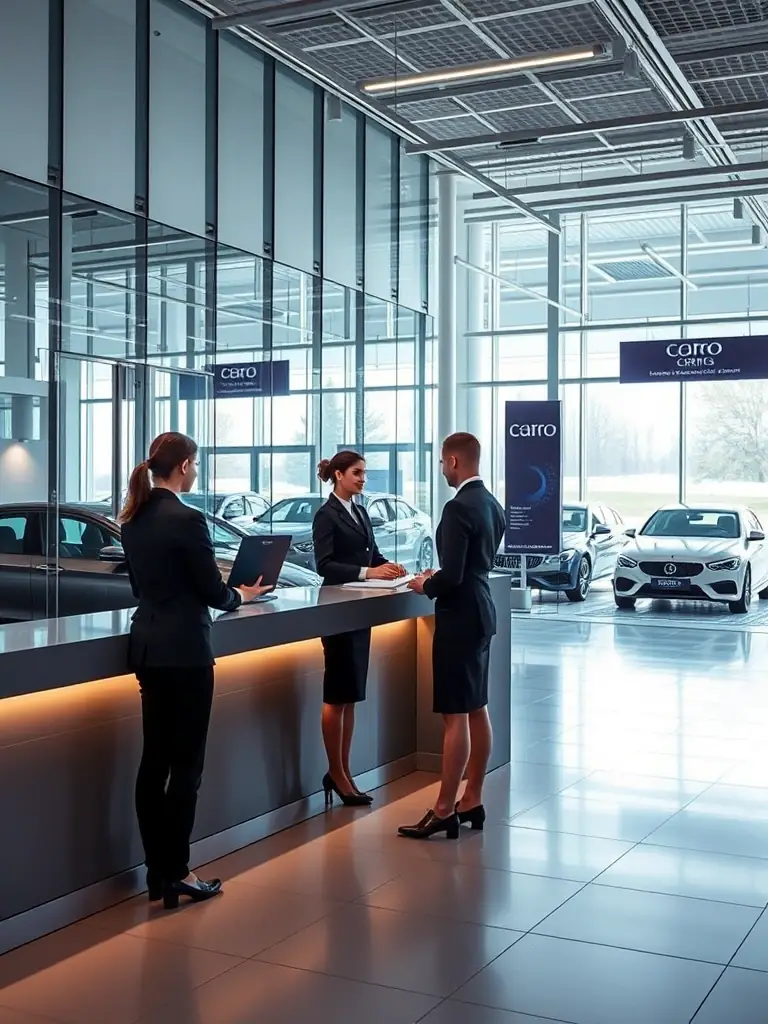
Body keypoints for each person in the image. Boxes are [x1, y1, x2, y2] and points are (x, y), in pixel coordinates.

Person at [120, 432, 270, 909]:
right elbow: (212, 590)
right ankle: (179, 871)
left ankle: (156, 873)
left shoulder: (132, 518)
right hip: (186, 652)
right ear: (184, 466)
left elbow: (142, 586)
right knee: (187, 766)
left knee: (154, 762)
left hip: (147, 649)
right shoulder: (187, 519)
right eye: (197, 464)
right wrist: (240, 596)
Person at [399, 432, 505, 840]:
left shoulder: (458, 507)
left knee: (455, 715)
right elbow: (476, 566)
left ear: (455, 462)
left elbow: (453, 575)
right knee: (477, 706)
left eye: (444, 463)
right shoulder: (492, 504)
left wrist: (425, 584)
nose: (442, 470)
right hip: (482, 611)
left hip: (459, 616)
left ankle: (444, 807)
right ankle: (472, 798)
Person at [313, 451, 405, 807]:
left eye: (364, 473)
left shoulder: (361, 511)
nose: (363, 479)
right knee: (337, 694)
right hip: (337, 612)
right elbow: (326, 566)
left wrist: (389, 568)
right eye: (357, 473)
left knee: (351, 694)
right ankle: (335, 772)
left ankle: (343, 771)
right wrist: (369, 573)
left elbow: (373, 556)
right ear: (338, 475)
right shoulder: (326, 515)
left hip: (358, 613)